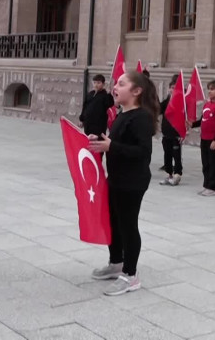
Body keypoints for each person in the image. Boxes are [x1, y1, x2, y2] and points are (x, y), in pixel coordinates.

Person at [88, 70, 158, 296]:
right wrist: (99, 141)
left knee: (128, 225)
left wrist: (112, 147)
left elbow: (142, 152)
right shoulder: (121, 114)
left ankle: (130, 275)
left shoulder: (142, 117)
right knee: (113, 222)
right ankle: (116, 262)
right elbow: (116, 142)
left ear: (137, 91)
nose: (114, 87)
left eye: (121, 84)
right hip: (116, 178)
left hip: (133, 181)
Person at [193, 80, 215, 196]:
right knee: (206, 163)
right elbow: (203, 119)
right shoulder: (207, 104)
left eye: (212, 89)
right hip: (204, 138)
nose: (209, 91)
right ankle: (206, 185)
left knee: (214, 164)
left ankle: (213, 187)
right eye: (209, 89)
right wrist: (191, 124)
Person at [158, 74, 184, 186]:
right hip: (166, 133)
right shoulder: (167, 99)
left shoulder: (181, 101)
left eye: (174, 88)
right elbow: (159, 109)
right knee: (167, 154)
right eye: (171, 88)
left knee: (176, 155)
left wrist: (184, 132)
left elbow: (185, 116)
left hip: (176, 133)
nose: (172, 90)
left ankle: (177, 174)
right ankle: (169, 174)